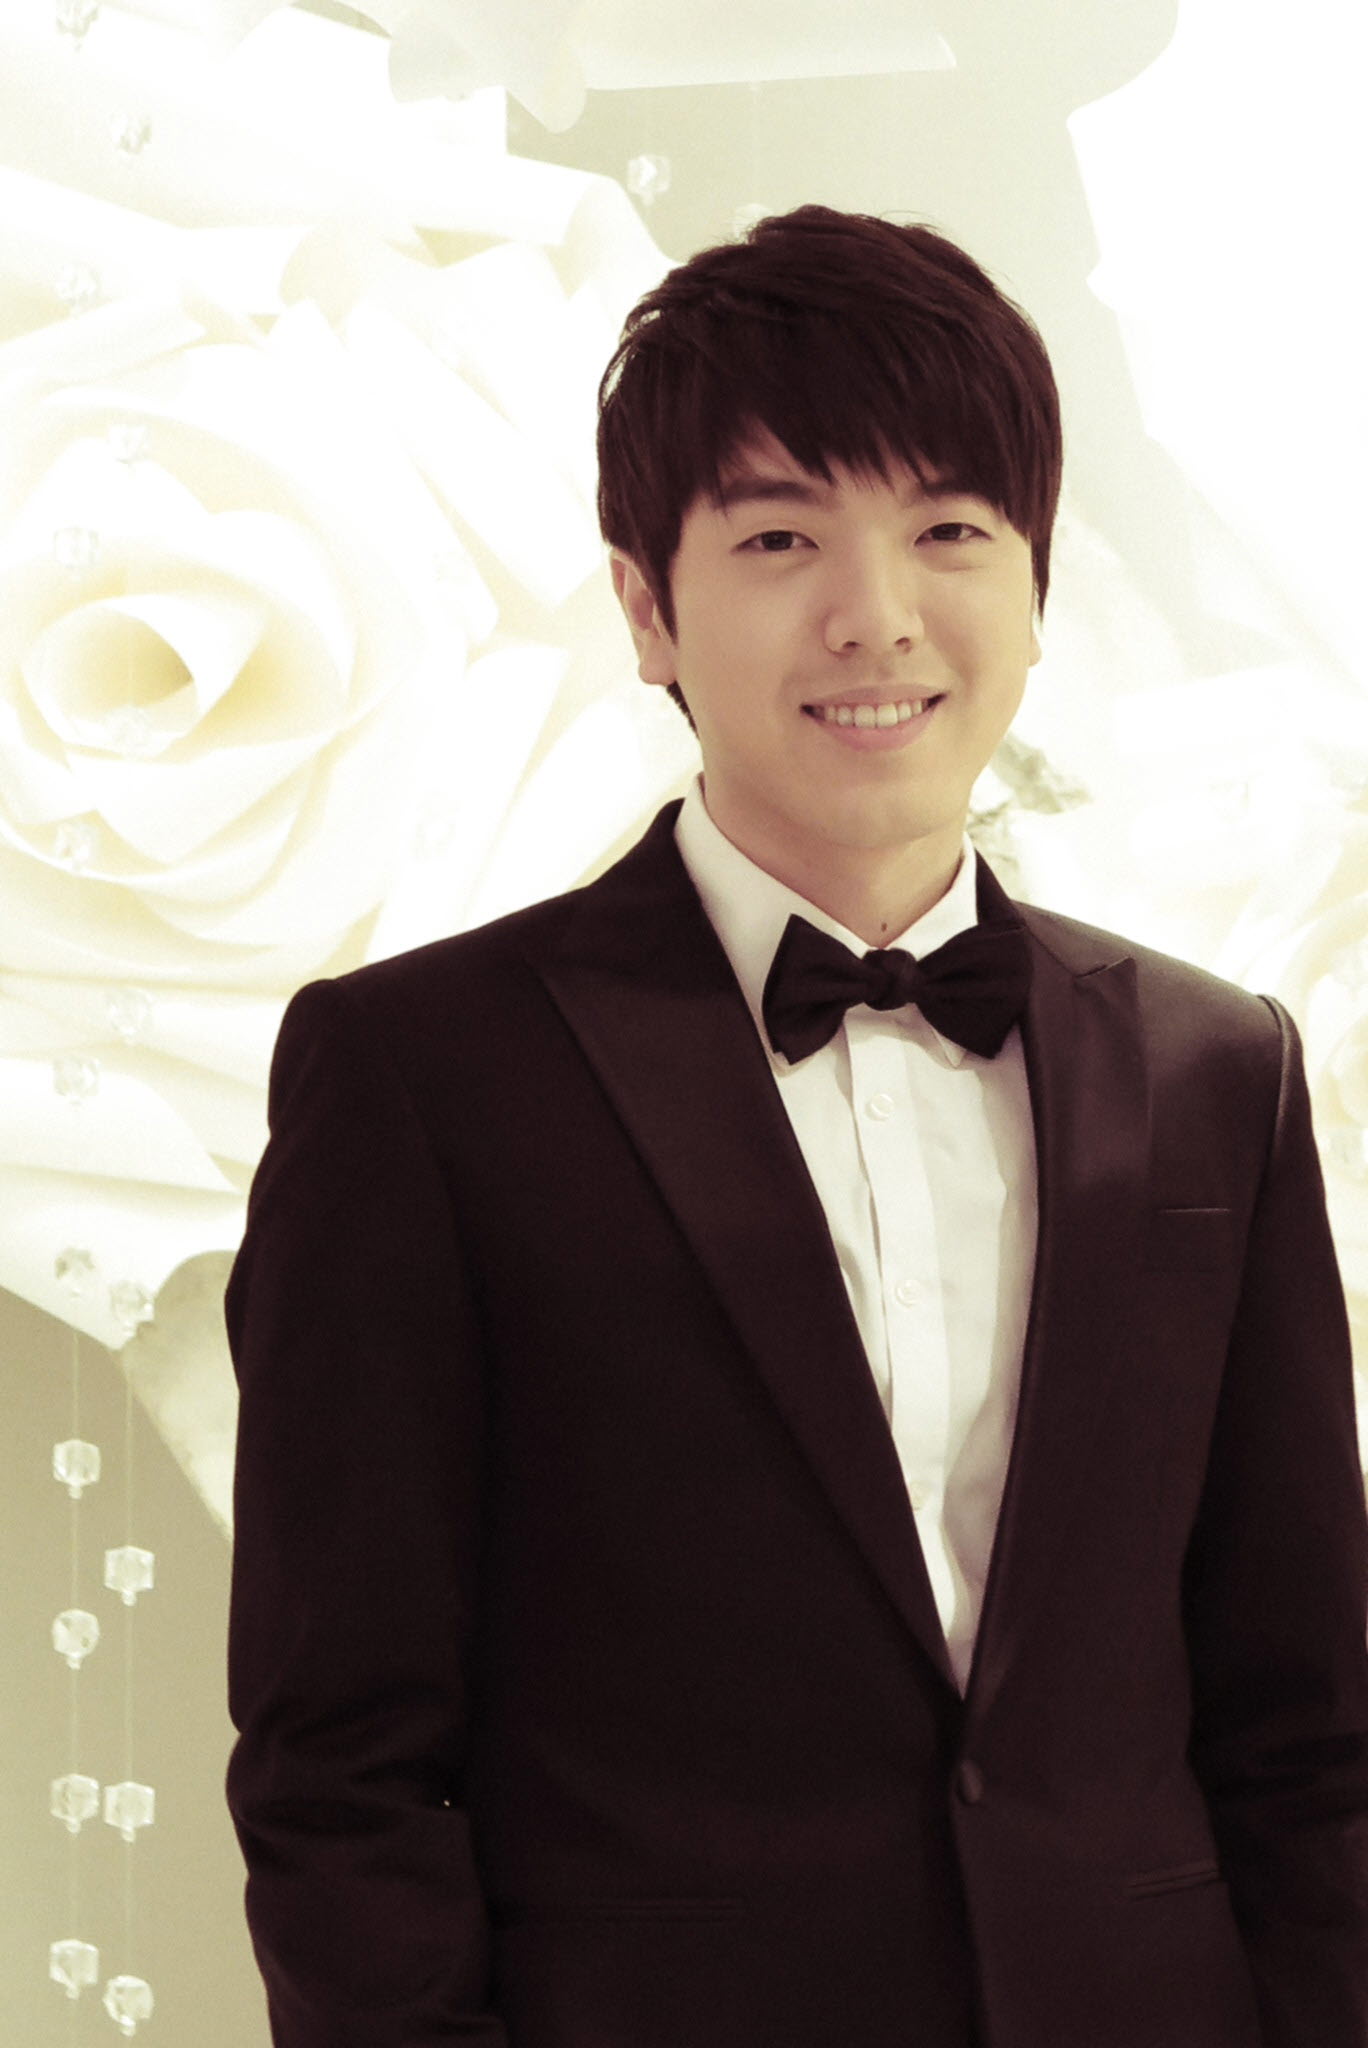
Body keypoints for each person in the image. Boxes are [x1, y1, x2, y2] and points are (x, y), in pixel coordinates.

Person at [225, 205, 1368, 2048]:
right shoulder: (423, 1077)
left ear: (1038, 588)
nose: (877, 615)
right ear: (646, 607)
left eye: (949, 531)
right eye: (779, 538)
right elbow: (339, 1764)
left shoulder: (1217, 1070)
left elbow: (1306, 1727)